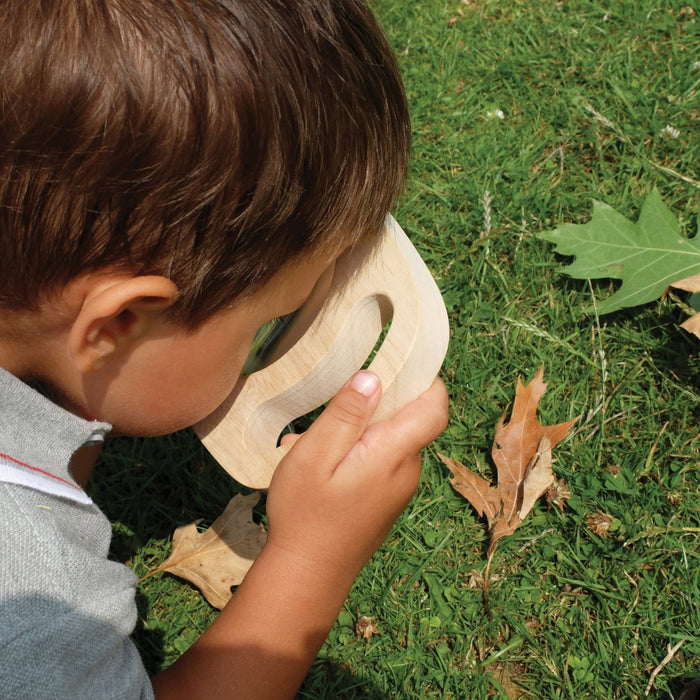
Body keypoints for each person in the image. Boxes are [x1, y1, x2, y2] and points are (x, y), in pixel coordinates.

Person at [0, 1, 449, 698]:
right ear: (119, 327)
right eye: (267, 326)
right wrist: (310, 557)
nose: (265, 348)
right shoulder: (32, 602)